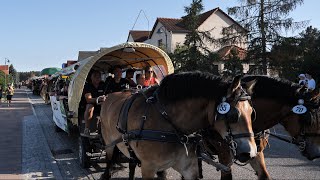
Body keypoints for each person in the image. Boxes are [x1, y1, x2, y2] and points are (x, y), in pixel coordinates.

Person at [83, 70, 106, 135]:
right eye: (95, 76)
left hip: (103, 103)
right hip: (92, 104)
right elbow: (88, 99)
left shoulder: (103, 84)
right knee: (90, 107)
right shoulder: (87, 86)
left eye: (99, 76)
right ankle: (87, 128)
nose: (97, 78)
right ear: (91, 77)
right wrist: (98, 99)